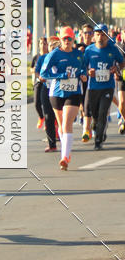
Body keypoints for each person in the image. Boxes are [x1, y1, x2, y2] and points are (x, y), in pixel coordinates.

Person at [39, 26, 86, 170]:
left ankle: (65, 157)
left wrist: (83, 75)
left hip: (73, 92)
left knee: (66, 124)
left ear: (73, 39)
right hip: (56, 93)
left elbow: (83, 68)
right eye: (64, 38)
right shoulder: (53, 55)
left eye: (69, 38)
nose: (67, 40)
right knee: (61, 126)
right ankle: (66, 153)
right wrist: (60, 76)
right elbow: (43, 74)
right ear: (60, 39)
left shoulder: (79, 55)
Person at [82, 24, 124, 150]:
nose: (100, 37)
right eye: (98, 34)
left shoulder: (113, 49)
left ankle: (98, 141)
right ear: (94, 36)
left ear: (107, 36)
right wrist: (88, 72)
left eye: (103, 34)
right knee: (95, 115)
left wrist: (116, 68)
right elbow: (83, 67)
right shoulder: (89, 50)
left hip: (108, 87)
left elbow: (122, 62)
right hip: (93, 87)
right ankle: (98, 128)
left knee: (102, 113)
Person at [38, 36, 59, 153]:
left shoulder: (62, 57)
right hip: (46, 89)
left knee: (60, 117)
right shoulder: (44, 58)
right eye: (51, 46)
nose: (53, 48)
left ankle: (64, 137)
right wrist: (41, 77)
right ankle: (52, 145)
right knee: (48, 116)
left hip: (60, 90)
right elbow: (40, 73)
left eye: (56, 45)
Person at [76, 23, 94, 138]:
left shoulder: (95, 46)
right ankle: (85, 120)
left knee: (89, 104)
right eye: (85, 32)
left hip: (93, 80)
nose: (87, 35)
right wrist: (78, 52)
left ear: (93, 34)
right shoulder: (78, 47)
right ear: (82, 34)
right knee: (82, 104)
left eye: (90, 33)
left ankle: (87, 129)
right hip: (81, 79)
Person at [31, 37, 48, 130]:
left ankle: (48, 122)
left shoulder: (49, 55)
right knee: (37, 103)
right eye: (41, 43)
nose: (43, 45)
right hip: (38, 82)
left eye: (45, 44)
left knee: (46, 104)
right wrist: (34, 70)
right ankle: (41, 117)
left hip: (47, 83)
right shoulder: (36, 57)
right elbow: (31, 68)